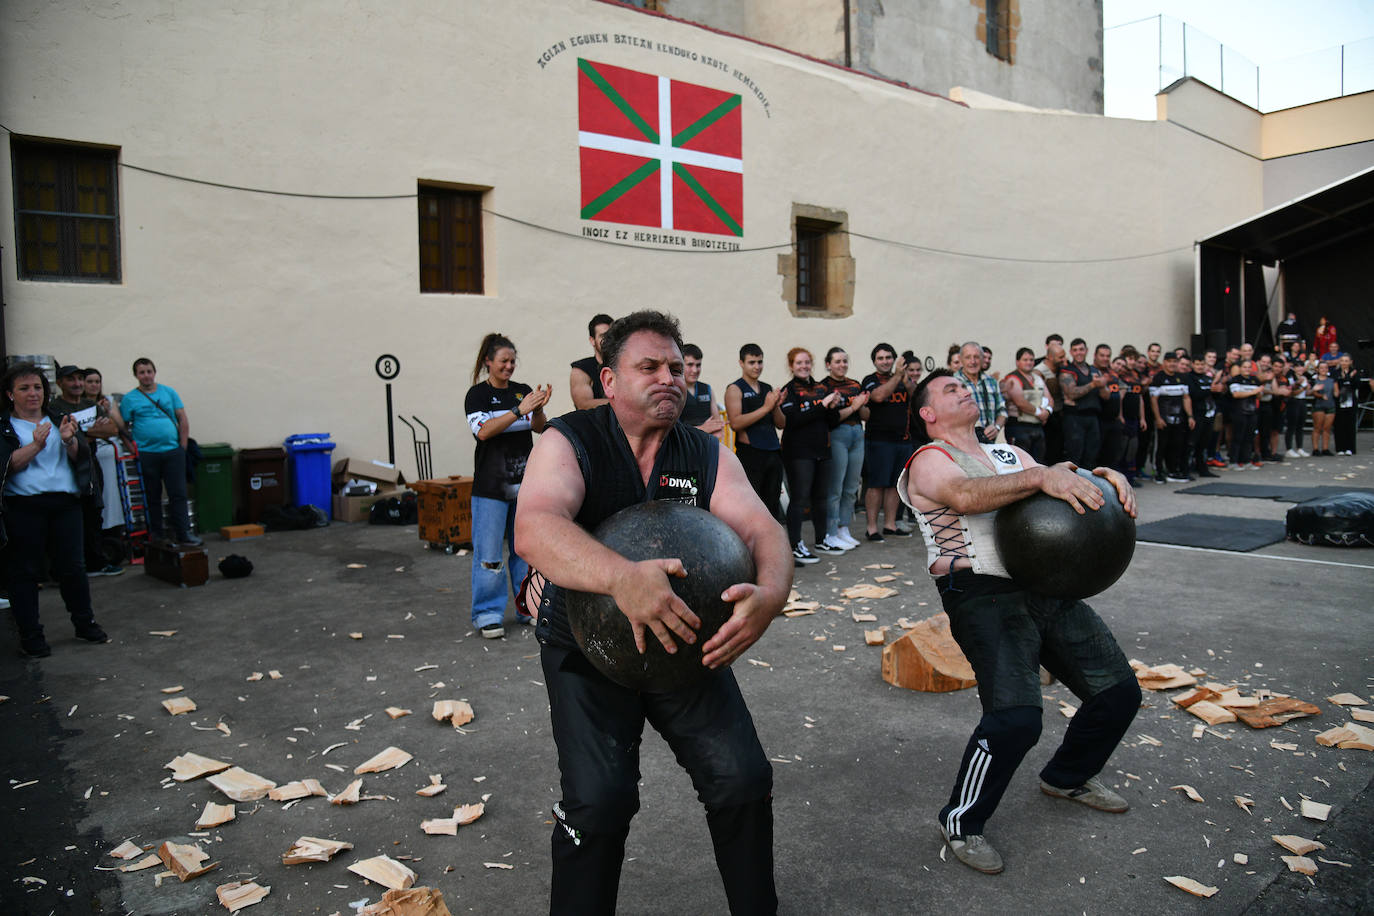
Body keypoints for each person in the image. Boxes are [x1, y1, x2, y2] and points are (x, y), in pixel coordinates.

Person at [513, 310, 792, 915]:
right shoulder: (571, 439)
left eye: (675, 366)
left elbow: (763, 528)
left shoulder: (703, 451)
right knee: (601, 803)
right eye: (649, 367)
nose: (669, 377)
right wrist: (620, 578)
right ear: (609, 380)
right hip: (589, 654)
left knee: (742, 779)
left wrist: (770, 595)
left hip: (686, 649)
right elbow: (535, 528)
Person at [900, 369, 1139, 875]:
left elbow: (1056, 482)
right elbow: (965, 496)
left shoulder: (1009, 453)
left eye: (966, 384)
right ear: (928, 414)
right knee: (1016, 719)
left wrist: (1103, 478)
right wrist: (1040, 475)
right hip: (982, 592)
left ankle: (1068, 776)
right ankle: (960, 821)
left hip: (1044, 581)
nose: (965, 389)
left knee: (1118, 692)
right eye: (950, 389)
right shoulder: (929, 460)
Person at [2, 363, 110, 658]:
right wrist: (37, 445)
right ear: (11, 394)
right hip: (24, 506)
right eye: (24, 388)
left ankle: (85, 624)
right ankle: (32, 636)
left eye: (37, 387)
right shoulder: (6, 426)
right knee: (24, 573)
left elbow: (80, 457)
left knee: (73, 568)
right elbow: (8, 465)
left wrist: (68, 440)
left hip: (65, 504)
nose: (33, 393)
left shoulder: (59, 419)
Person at [465, 333, 551, 639]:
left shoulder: (522, 392)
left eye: (513, 361)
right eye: (503, 361)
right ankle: (487, 613)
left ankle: (527, 607)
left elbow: (539, 428)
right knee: (489, 554)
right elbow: (484, 432)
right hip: (490, 488)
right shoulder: (477, 395)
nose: (509, 367)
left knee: (524, 551)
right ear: (488, 362)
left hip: (524, 486)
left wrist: (538, 408)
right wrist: (517, 411)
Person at [118, 358, 201, 546]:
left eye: (149, 371)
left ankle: (184, 533)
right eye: (141, 372)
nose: (146, 375)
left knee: (178, 494)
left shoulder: (169, 392)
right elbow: (123, 428)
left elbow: (182, 419)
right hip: (147, 454)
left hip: (173, 452)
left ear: (154, 372)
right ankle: (157, 534)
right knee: (152, 496)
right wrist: (133, 449)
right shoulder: (130, 399)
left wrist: (183, 447)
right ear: (136, 375)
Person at [776, 347, 844, 564]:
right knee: (800, 499)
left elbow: (831, 421)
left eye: (807, 362)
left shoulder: (821, 388)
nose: (804, 366)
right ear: (791, 366)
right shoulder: (789, 390)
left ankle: (822, 539)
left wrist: (831, 407)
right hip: (798, 452)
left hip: (822, 450)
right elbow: (793, 421)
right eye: (799, 363)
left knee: (820, 498)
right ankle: (795, 545)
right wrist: (821, 406)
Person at [860, 344, 914, 542]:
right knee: (876, 485)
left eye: (888, 357)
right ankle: (872, 528)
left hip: (902, 440)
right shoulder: (870, 380)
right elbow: (879, 396)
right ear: (874, 361)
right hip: (879, 441)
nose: (885, 361)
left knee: (894, 486)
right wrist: (897, 377)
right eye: (881, 358)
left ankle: (890, 525)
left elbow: (916, 396)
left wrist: (904, 377)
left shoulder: (902, 378)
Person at [725, 344, 783, 520]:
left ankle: (771, 545)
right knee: (752, 505)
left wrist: (776, 406)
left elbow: (781, 424)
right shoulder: (735, 389)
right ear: (741, 363)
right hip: (751, 453)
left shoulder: (767, 388)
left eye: (760, 362)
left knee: (772, 504)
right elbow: (735, 423)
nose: (757, 366)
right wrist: (766, 407)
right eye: (752, 362)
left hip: (772, 450)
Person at [819, 347, 868, 551]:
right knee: (835, 487)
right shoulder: (823, 387)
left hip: (858, 433)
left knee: (851, 486)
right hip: (837, 436)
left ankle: (844, 527)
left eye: (845, 361)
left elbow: (866, 415)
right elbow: (831, 419)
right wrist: (854, 407)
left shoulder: (855, 384)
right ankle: (830, 531)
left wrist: (863, 404)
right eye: (837, 361)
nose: (842, 365)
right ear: (828, 364)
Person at [1059, 338, 1105, 468]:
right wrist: (1093, 384)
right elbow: (1071, 393)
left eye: (1081, 349)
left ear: (1087, 351)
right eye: (1075, 350)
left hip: (1093, 417)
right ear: (1071, 352)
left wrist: (1102, 385)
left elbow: (1105, 396)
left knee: (1091, 455)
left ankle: (1089, 486)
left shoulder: (1094, 370)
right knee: (1074, 456)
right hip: (1074, 417)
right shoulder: (1067, 371)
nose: (1078, 352)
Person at [1149, 351, 1194, 482]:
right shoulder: (1158, 378)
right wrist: (1158, 418)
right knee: (1160, 446)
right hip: (1163, 419)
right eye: (1169, 361)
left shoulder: (1182, 378)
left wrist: (1190, 416)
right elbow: (1153, 400)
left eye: (1175, 361)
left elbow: (1186, 398)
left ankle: (1172, 471)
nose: (1172, 364)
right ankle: (1157, 472)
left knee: (1176, 445)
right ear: (1164, 363)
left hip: (1179, 420)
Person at [1001, 347, 1049, 462]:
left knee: (1038, 463)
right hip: (1019, 426)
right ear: (1018, 362)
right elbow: (1020, 402)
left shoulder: (1037, 378)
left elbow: (1049, 397)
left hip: (1036, 427)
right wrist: (1039, 413)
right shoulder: (1012, 378)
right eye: (1025, 359)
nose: (1029, 362)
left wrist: (1048, 411)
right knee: (1021, 463)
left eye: (1031, 360)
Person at [955, 342, 1006, 445]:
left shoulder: (992, 382)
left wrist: (996, 427)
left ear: (982, 359)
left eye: (976, 357)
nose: (972, 361)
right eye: (968, 357)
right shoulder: (953, 383)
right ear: (960, 359)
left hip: (989, 443)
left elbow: (1002, 411)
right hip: (963, 443)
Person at [680, 344, 725, 440]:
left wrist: (717, 431)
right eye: (690, 365)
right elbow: (673, 430)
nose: (695, 370)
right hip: (684, 446)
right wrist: (702, 429)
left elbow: (717, 425)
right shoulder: (675, 390)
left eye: (698, 365)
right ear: (680, 364)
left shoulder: (707, 389)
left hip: (706, 444)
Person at [570, 314, 614, 410]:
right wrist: (624, 401)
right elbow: (583, 404)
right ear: (592, 340)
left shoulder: (623, 365)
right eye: (602, 336)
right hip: (595, 424)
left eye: (610, 335)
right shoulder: (581, 369)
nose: (607, 340)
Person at [1034, 336, 1066, 464]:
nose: (1064, 360)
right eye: (1060, 357)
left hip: (1059, 415)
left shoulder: (1061, 369)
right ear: (1050, 357)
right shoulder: (1039, 371)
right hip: (1047, 417)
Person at [1228, 360, 1263, 469]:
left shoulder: (1254, 380)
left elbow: (1259, 396)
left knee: (1249, 437)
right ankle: (1233, 461)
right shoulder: (1235, 379)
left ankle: (1246, 460)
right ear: (1240, 368)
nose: (1247, 369)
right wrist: (1253, 392)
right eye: (1244, 367)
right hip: (1239, 412)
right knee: (1237, 437)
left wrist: (1258, 393)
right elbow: (1236, 394)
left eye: (1249, 367)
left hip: (1252, 412)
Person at [1332, 353, 1362, 456]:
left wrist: (1349, 378)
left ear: (1350, 362)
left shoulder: (1355, 373)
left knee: (1350, 425)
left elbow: (1357, 385)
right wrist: (1344, 378)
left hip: (1351, 402)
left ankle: (1350, 448)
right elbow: (1335, 385)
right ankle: (1340, 448)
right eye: (1342, 361)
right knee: (1339, 425)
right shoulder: (1336, 373)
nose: (1344, 363)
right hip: (1339, 402)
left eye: (1346, 361)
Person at [1284, 356, 1311, 458]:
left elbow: (1307, 392)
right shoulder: (1290, 377)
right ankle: (1289, 448)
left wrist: (1309, 388)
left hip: (1302, 401)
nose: (1300, 369)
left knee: (1300, 426)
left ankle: (1300, 447)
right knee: (1291, 426)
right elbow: (1292, 392)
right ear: (1294, 368)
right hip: (1293, 402)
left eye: (1301, 367)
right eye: (1297, 367)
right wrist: (1302, 387)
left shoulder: (1305, 377)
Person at [1308, 359, 1336, 457]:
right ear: (1317, 369)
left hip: (1330, 405)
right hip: (1318, 405)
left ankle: (1325, 448)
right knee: (1317, 427)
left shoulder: (1332, 380)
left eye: (1325, 368)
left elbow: (1336, 392)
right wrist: (1319, 395)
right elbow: (1311, 392)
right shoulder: (1314, 380)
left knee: (1327, 428)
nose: (1323, 370)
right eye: (1321, 368)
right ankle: (1315, 449)